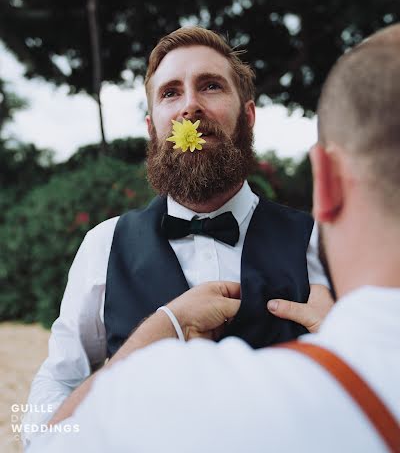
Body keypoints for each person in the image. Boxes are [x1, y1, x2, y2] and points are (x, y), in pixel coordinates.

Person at [28, 22, 400, 452]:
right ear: (153, 127)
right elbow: (61, 376)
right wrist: (41, 435)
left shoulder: (321, 240)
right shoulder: (103, 244)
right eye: (171, 92)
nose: (189, 106)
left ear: (248, 116)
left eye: (210, 86)